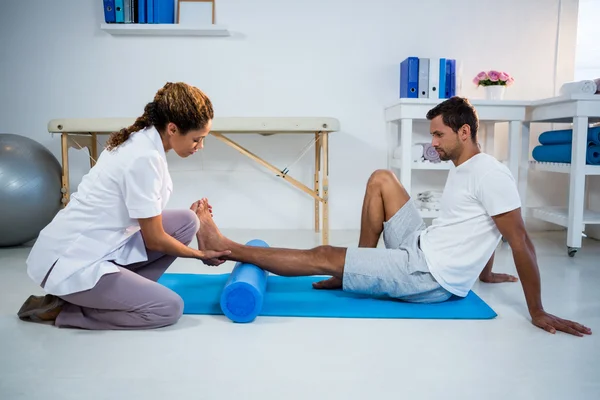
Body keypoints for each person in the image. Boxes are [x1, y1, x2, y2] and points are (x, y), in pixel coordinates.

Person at [193, 96, 592, 337]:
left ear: (465, 132)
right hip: (422, 245)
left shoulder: (490, 173)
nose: (432, 143)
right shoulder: (467, 167)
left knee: (322, 252)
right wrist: (484, 273)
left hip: (427, 274)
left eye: (439, 135)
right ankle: (356, 268)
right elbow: (482, 225)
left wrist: (536, 311)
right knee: (382, 178)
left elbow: (518, 238)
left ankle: (226, 247)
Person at [17, 82, 231, 330]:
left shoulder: (144, 140)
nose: (200, 146)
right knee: (168, 308)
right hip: (71, 263)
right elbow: (154, 240)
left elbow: (142, 212)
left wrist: (195, 225)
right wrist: (200, 255)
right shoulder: (144, 157)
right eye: (197, 139)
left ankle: (115, 298)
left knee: (187, 222)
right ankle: (67, 311)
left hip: (98, 246)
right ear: (172, 128)